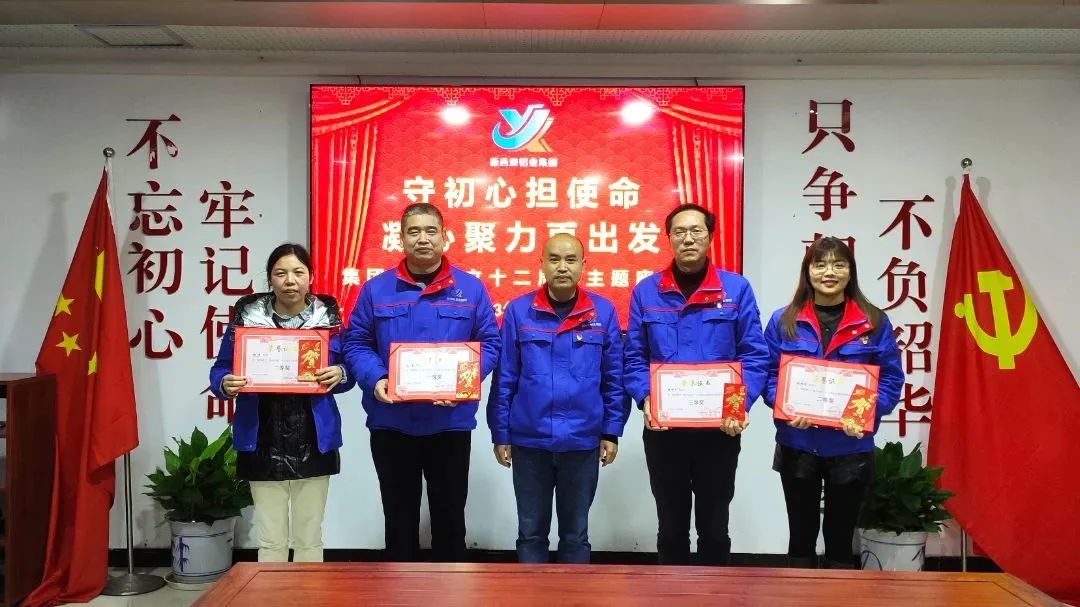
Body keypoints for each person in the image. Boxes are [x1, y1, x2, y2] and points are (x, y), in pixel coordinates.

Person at [343, 203, 500, 562]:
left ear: (445, 237)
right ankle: (400, 590)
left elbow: (490, 343)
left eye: (431, 231)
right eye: (413, 231)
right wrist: (376, 378)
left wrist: (463, 382)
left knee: (450, 521)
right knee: (398, 521)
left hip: (449, 423)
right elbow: (357, 342)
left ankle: (451, 589)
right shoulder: (376, 290)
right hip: (392, 423)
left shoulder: (471, 289)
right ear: (400, 238)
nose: (423, 238)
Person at [625, 203, 769, 566]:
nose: (688, 239)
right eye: (679, 232)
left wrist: (738, 406)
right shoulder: (646, 292)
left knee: (714, 528)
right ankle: (671, 593)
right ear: (669, 238)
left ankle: (715, 593)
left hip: (719, 431)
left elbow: (754, 355)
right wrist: (645, 397)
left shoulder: (736, 289)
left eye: (696, 231)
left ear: (710, 236)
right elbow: (634, 357)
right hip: (665, 431)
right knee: (671, 528)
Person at [763, 236, 905, 569]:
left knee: (841, 540)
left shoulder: (874, 321)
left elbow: (890, 378)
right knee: (800, 536)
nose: (829, 272)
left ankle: (839, 595)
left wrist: (865, 413)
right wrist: (785, 406)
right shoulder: (784, 321)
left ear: (850, 272)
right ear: (807, 271)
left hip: (851, 445)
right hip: (799, 442)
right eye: (820, 264)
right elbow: (768, 374)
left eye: (839, 264)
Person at [209, 243, 355, 562]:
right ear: (269, 279)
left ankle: (307, 591)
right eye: (281, 273)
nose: (290, 280)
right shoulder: (247, 319)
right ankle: (272, 590)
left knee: (309, 538)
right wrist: (224, 382)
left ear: (310, 277)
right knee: (271, 540)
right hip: (261, 436)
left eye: (298, 272)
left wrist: (340, 373)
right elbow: (220, 367)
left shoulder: (328, 320)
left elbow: (349, 371)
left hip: (314, 438)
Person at [487, 234, 627, 564]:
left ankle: (573, 593)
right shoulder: (519, 311)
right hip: (529, 441)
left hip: (582, 441)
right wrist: (500, 433)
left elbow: (614, 379)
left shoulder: (603, 312)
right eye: (554, 259)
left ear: (583, 265)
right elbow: (505, 377)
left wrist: (611, 432)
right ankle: (530, 592)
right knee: (531, 533)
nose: (562, 267)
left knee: (575, 535)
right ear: (541, 264)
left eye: (570, 259)